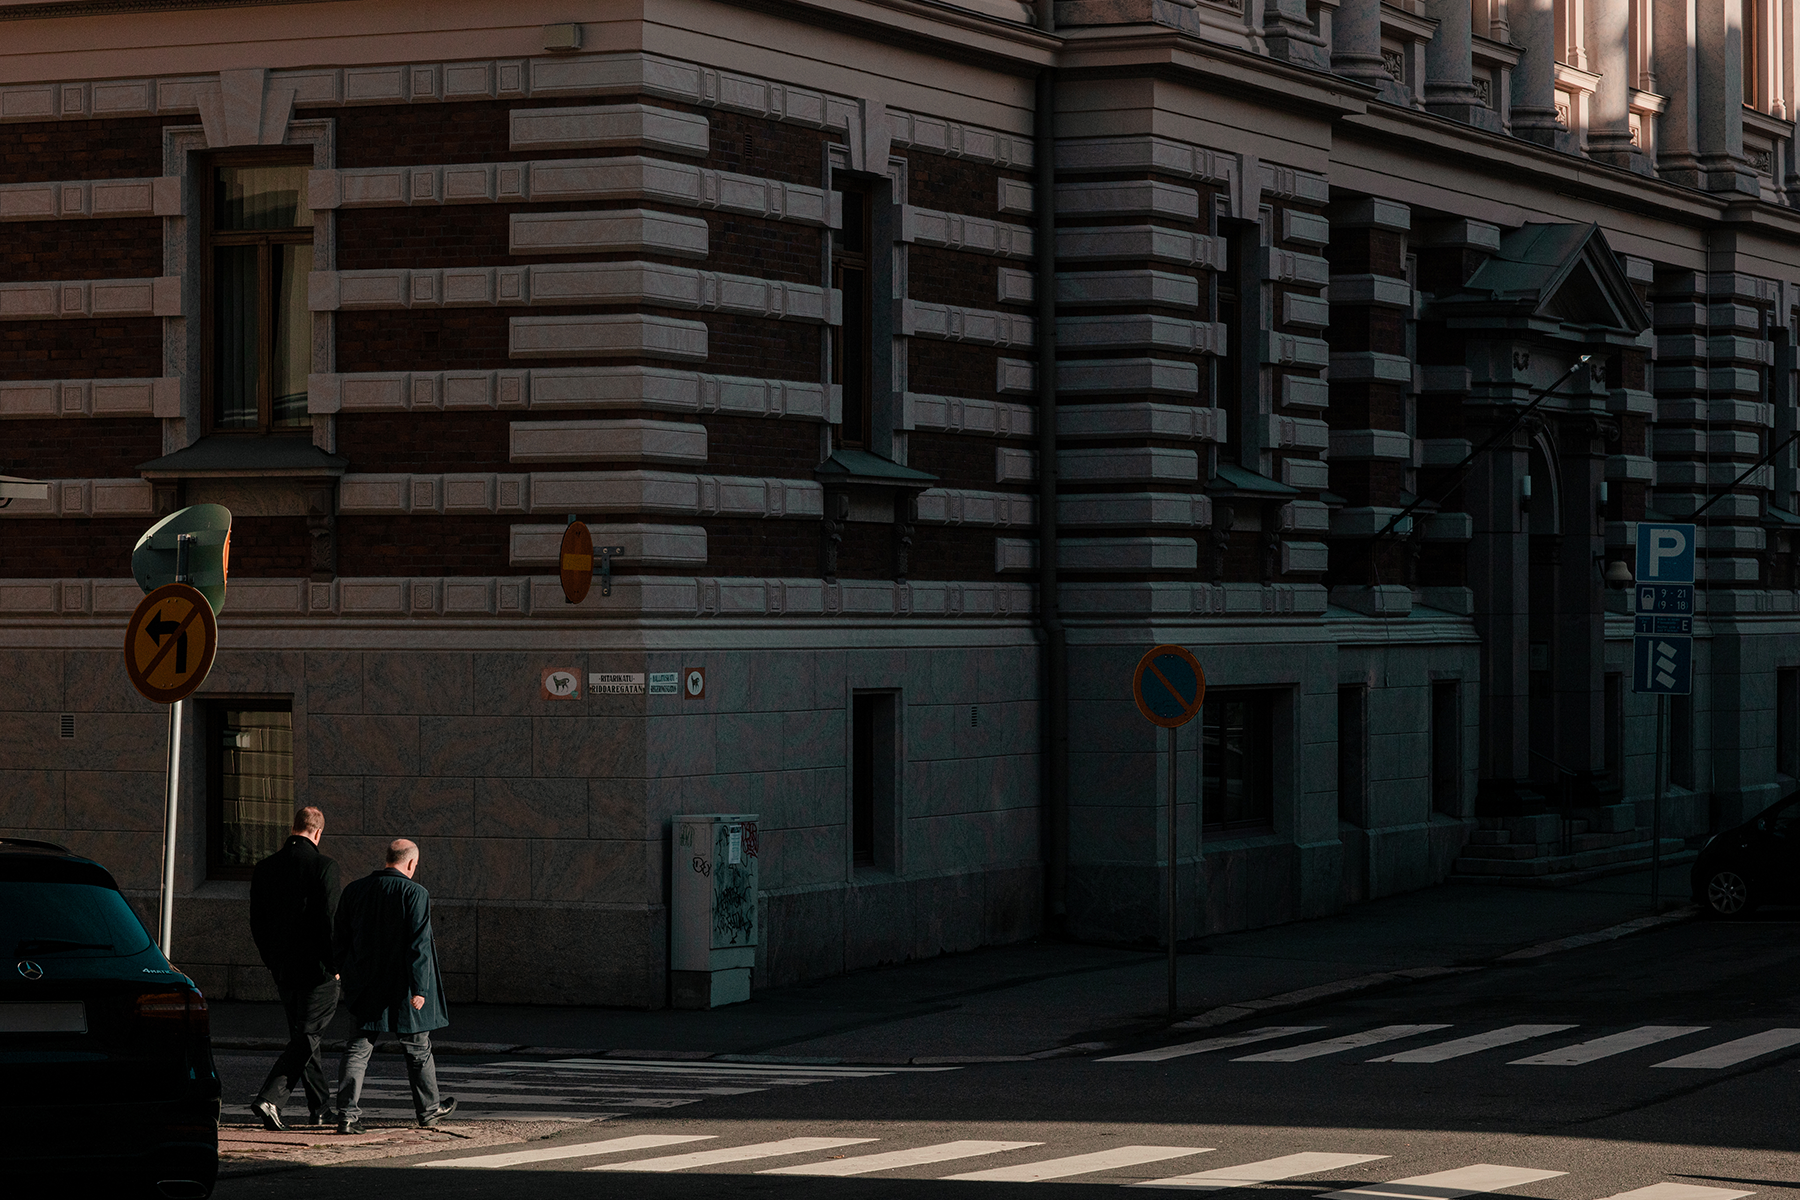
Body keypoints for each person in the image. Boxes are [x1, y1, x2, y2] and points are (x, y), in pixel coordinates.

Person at [331, 838, 456, 1133]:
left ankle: (346, 1115)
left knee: (357, 1050)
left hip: (365, 983)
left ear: (388, 857)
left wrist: (344, 973)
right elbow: (418, 945)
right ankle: (428, 1110)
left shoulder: (355, 890)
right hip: (403, 988)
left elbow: (340, 937)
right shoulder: (415, 893)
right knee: (417, 1049)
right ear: (411, 863)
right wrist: (420, 988)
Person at [248, 805, 341, 1131]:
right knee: (307, 1037)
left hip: (284, 968)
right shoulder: (323, 867)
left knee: (304, 1037)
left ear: (294, 827)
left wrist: (273, 960)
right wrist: (337, 965)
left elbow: (257, 924)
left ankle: (320, 1108)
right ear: (318, 832)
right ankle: (271, 1097)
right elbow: (330, 922)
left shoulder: (265, 868)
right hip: (317, 970)